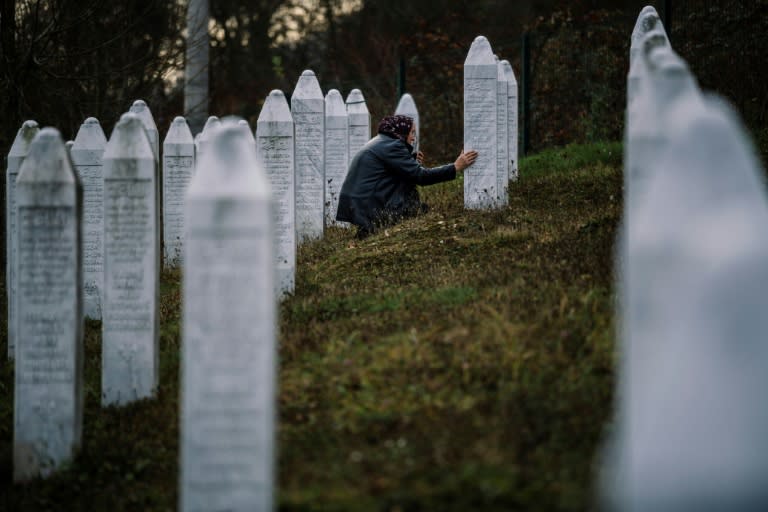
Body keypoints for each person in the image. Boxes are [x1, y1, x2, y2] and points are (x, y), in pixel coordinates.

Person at [336, 114, 478, 238]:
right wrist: (455, 167)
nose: (413, 138)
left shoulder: (382, 141)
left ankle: (368, 231)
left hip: (360, 203)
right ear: (402, 133)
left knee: (416, 206)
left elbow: (387, 173)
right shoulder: (393, 145)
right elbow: (421, 176)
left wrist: (410, 162)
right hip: (369, 207)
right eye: (412, 133)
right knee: (419, 211)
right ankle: (375, 227)